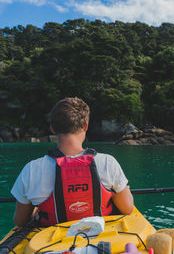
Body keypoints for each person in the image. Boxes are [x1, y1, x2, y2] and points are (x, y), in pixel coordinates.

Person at [11, 97, 134, 227]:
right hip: (102, 239)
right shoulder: (108, 163)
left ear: (52, 128)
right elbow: (127, 208)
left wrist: (35, 211)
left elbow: (20, 221)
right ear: (85, 126)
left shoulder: (31, 170)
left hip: (54, 243)